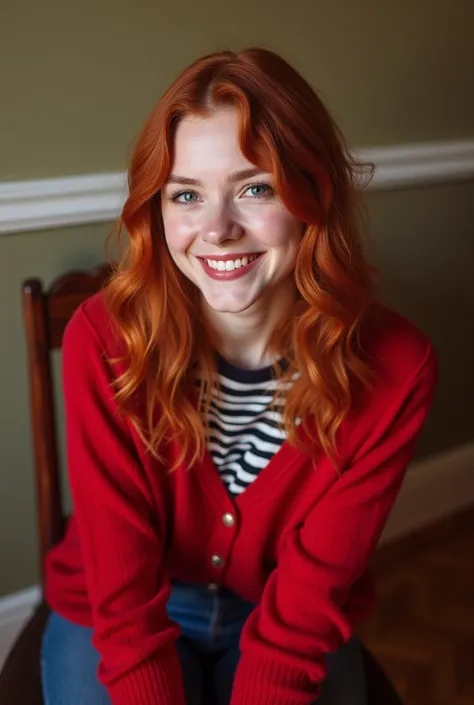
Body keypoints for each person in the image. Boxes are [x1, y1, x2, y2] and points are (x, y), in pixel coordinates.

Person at [40, 47, 438, 705]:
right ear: (157, 208)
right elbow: (125, 600)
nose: (218, 230)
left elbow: (305, 612)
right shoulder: (103, 339)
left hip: (285, 617)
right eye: (187, 194)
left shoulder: (397, 368)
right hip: (117, 612)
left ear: (314, 193)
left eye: (255, 187)